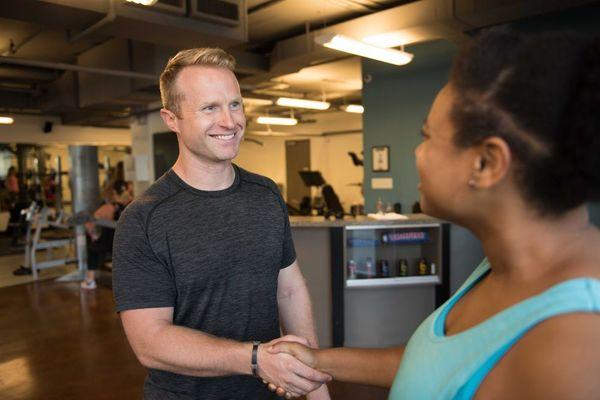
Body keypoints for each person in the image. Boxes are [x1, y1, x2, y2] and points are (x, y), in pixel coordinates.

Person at [268, 29, 600, 399]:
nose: (418, 153)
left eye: (427, 137)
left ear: (486, 163)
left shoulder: (577, 340)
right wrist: (317, 360)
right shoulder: (507, 263)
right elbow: (439, 365)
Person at [112, 48, 331, 399]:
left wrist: (314, 383)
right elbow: (150, 341)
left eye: (234, 104)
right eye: (209, 108)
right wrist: (257, 359)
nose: (229, 122)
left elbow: (289, 288)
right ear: (172, 119)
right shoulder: (144, 219)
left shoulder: (266, 194)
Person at [80, 180, 132, 290]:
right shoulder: (131, 206)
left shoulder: (108, 208)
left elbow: (89, 224)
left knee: (92, 249)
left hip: (110, 244)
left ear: (113, 192)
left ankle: (90, 281)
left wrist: (94, 236)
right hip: (125, 244)